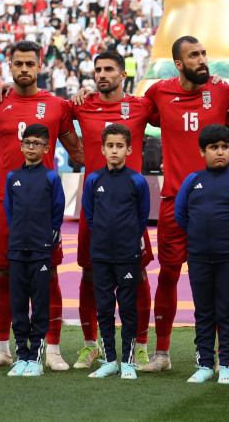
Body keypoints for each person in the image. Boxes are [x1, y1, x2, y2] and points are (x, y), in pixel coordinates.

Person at [0, 41, 82, 372]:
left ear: (41, 67)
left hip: (42, 209)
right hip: (3, 202)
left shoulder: (58, 106)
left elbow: (77, 151)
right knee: (3, 273)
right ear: (9, 66)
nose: (24, 69)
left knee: (48, 274)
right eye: (18, 63)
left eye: (30, 64)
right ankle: (2, 349)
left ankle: (51, 349)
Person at [141, 36, 229, 373]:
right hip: (173, 202)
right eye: (194, 55)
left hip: (217, 203)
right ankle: (162, 354)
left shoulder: (224, 92)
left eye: (203, 54)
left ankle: (218, 356)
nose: (202, 60)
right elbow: (132, 111)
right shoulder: (158, 92)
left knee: (215, 279)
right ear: (179, 64)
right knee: (168, 276)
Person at [71, 50, 155, 371]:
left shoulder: (141, 105)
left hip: (130, 210)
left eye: (109, 69)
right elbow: (57, 120)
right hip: (96, 203)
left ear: (123, 75)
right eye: (98, 70)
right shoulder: (80, 104)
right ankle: (91, 345)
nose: (102, 74)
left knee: (140, 274)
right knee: (90, 273)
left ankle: (141, 345)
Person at [174, 124, 229, 385]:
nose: (221, 152)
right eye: (214, 148)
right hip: (199, 257)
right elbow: (181, 216)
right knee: (203, 311)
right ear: (203, 151)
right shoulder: (192, 180)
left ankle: (226, 363)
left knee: (228, 310)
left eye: (225, 147)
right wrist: (201, 237)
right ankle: (203, 364)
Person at [81, 123, 152, 380]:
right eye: (110, 146)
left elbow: (142, 216)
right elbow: (90, 214)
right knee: (104, 308)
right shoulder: (93, 179)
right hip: (100, 254)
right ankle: (110, 360)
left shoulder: (137, 180)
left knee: (128, 309)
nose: (114, 150)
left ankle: (129, 361)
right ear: (102, 149)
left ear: (128, 149)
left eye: (119, 146)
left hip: (127, 255)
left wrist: (126, 238)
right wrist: (103, 235)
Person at [3, 123, 65, 378]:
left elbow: (57, 212)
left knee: (39, 304)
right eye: (27, 142)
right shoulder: (12, 177)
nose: (31, 147)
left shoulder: (51, 177)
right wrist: (19, 234)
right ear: (21, 145)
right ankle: (21, 356)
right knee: (18, 304)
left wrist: (46, 238)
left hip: (41, 249)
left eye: (37, 143)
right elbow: (9, 211)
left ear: (46, 148)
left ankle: (36, 357)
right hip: (17, 248)